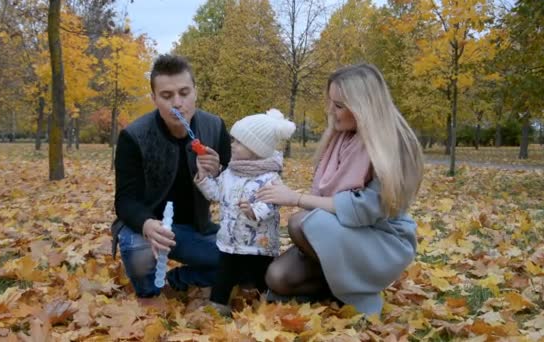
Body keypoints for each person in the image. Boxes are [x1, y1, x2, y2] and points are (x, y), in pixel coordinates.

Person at [256, 64, 424, 316]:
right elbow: (328, 198)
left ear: (363, 107)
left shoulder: (393, 145)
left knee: (301, 223)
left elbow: (362, 211)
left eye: (339, 106)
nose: (330, 112)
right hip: (346, 234)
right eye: (330, 103)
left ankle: (360, 291)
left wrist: (296, 198)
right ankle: (340, 283)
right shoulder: (342, 137)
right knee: (277, 277)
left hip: (383, 242)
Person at [111, 54, 231, 298]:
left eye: (184, 93)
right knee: (137, 248)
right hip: (149, 228)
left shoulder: (215, 127)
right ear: (154, 98)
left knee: (245, 261)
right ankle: (150, 293)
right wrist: (146, 224)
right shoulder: (133, 137)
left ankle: (177, 280)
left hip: (196, 229)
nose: (178, 103)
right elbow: (125, 200)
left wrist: (219, 172)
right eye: (167, 96)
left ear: (195, 92)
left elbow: (236, 187)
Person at [194, 109, 296, 315]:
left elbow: (272, 202)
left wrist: (254, 211)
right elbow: (216, 194)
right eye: (233, 140)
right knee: (224, 274)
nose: (232, 145)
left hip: (260, 243)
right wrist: (204, 179)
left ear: (256, 149)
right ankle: (218, 304)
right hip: (230, 241)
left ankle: (264, 306)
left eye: (238, 142)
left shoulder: (269, 177)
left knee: (260, 275)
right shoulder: (231, 172)